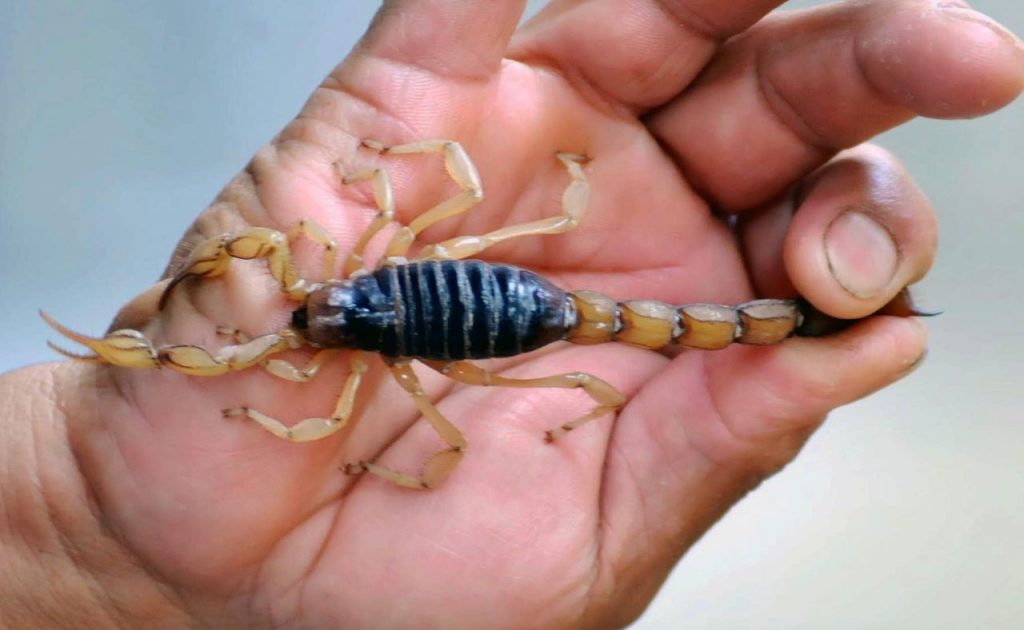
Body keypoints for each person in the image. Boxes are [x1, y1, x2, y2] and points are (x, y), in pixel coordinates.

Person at [2, 1, 1021, 627]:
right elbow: (358, 396)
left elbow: (443, 190)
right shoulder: (348, 295)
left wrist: (102, 551)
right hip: (494, 310)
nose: (295, 310)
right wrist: (94, 533)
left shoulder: (352, 300)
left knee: (577, 352)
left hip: (512, 306)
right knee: (578, 353)